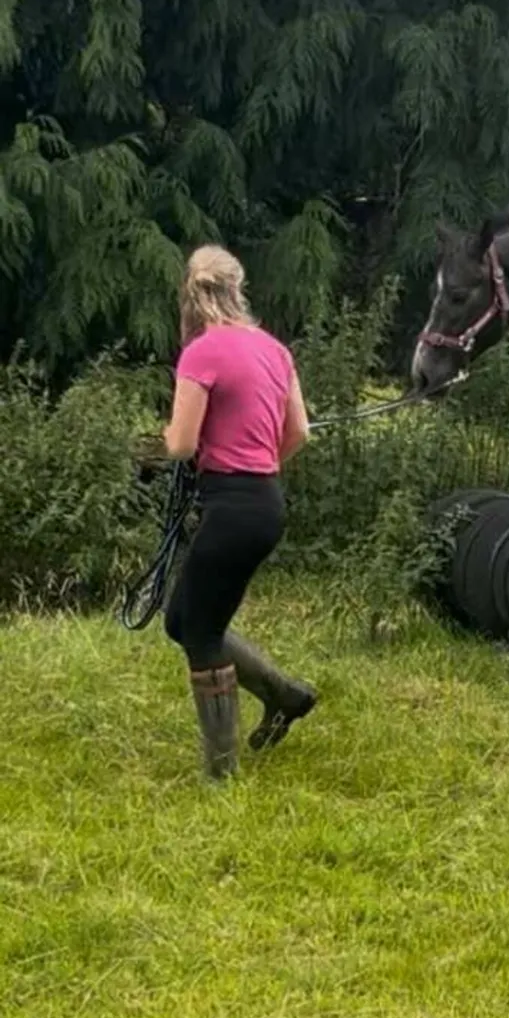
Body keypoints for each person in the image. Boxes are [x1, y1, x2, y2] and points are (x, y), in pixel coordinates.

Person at [161, 244, 316, 779]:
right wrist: (255, 462)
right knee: (183, 619)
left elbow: (180, 444)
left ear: (190, 294)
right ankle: (285, 694)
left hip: (230, 506)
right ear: (238, 288)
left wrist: (171, 439)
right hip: (265, 503)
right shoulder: (274, 349)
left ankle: (220, 773)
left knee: (201, 632)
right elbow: (300, 433)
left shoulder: (201, 351)